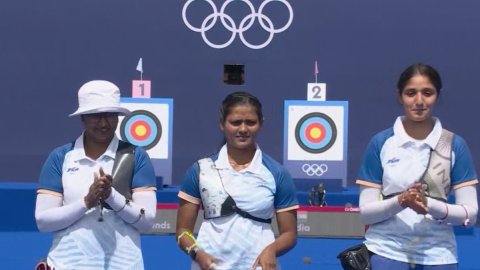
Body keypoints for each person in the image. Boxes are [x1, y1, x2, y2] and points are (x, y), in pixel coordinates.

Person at [356, 63, 478, 269]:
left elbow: (470, 215)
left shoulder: (454, 145)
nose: (419, 101)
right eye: (411, 93)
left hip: (439, 257)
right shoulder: (381, 143)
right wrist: (402, 200)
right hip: (385, 253)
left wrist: (427, 204)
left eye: (427, 93)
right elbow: (366, 213)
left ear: (438, 95)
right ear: (400, 96)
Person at [35, 80, 157, 269]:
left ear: (118, 117)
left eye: (109, 115)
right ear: (82, 117)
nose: (103, 123)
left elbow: (147, 222)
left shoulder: (136, 156)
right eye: (95, 116)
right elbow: (43, 221)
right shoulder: (60, 157)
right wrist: (86, 202)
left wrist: (112, 197)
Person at [176, 91, 298, 270]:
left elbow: (290, 234)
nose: (243, 129)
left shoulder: (277, 173)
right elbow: (182, 231)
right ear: (222, 124)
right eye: (235, 122)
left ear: (261, 124)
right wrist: (198, 254)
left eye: (251, 122)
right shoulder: (200, 170)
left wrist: (271, 250)